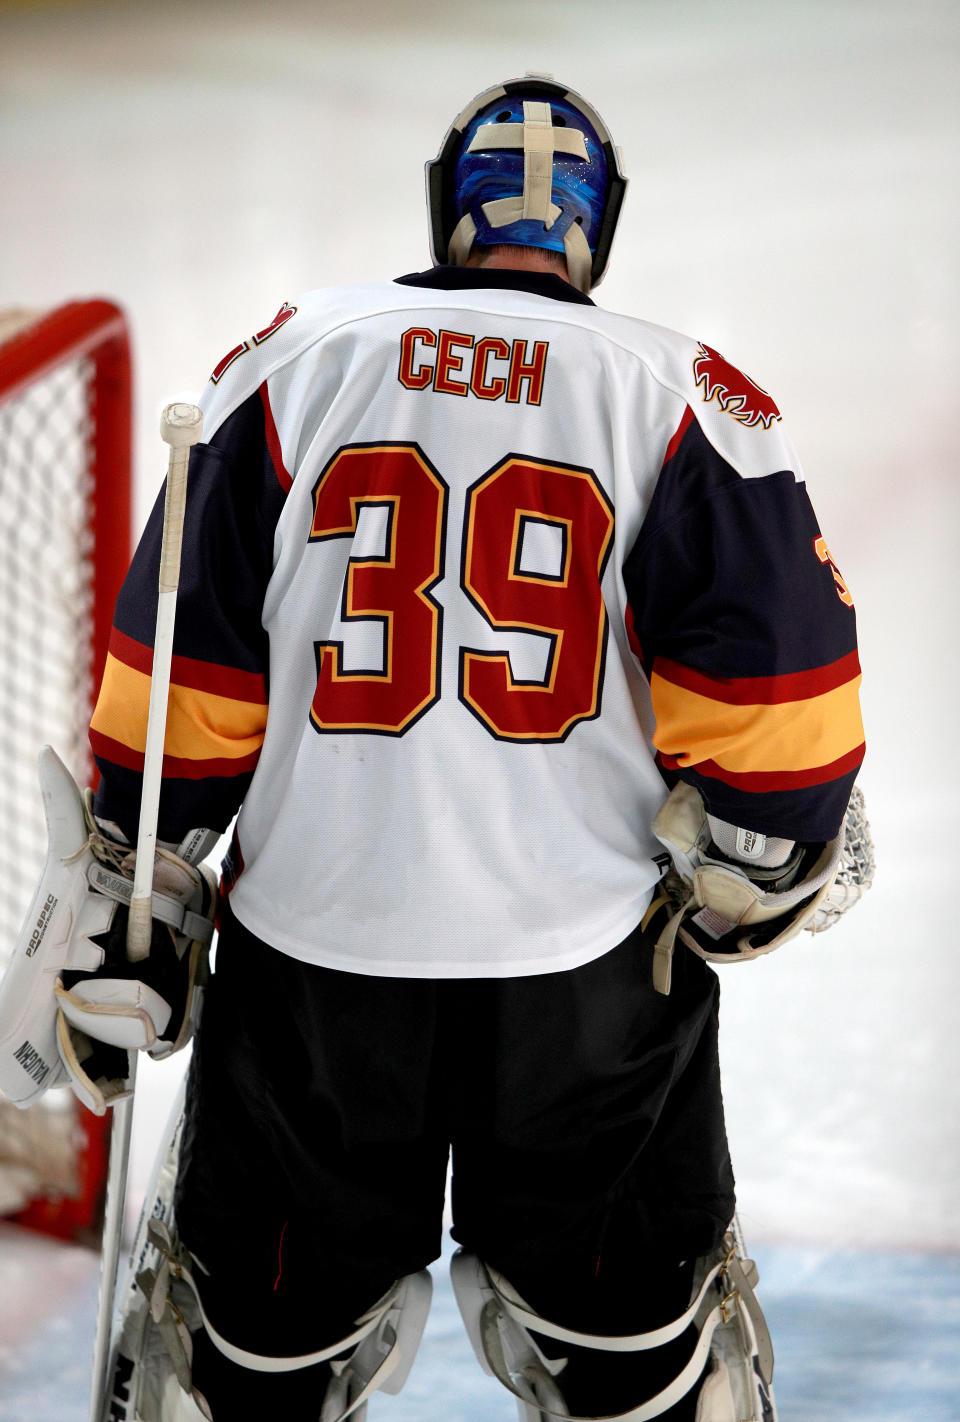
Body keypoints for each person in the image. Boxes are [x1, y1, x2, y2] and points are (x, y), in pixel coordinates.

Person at [80, 75, 863, 1420]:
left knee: (251, 1350)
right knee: (641, 1351)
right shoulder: (684, 393)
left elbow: (179, 683)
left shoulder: (289, 357)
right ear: (593, 226)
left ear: (449, 209)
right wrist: (755, 871)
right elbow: (784, 738)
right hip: (588, 980)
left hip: (316, 959)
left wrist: (139, 886)